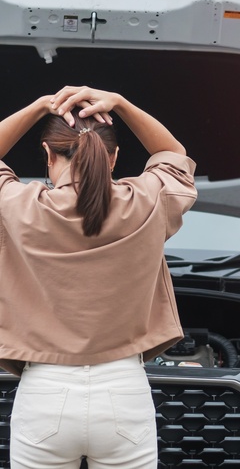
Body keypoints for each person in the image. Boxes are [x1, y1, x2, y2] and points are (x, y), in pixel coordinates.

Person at [0, 86, 197, 469]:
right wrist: (122, 102)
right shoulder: (146, 201)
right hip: (124, 392)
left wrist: (41, 105)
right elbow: (174, 155)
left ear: (47, 154)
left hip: (44, 393)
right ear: (114, 158)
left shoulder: (17, 207)